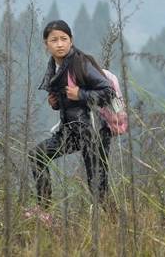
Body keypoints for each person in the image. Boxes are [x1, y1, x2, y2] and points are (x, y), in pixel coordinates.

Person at [28, 19, 115, 213]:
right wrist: (56, 103)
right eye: (54, 40)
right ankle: (44, 211)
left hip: (94, 132)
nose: (59, 44)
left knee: (98, 189)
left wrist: (80, 94)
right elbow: (70, 102)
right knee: (36, 155)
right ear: (46, 44)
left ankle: (115, 223)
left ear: (71, 40)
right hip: (72, 131)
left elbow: (108, 92)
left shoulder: (80, 63)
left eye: (64, 39)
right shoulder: (55, 67)